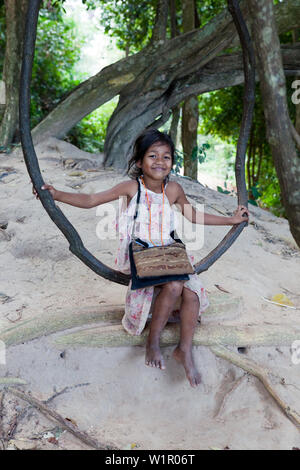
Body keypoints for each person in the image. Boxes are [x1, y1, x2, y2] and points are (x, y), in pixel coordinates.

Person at [33, 128, 249, 388]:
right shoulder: (131, 187)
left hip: (169, 253)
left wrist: (230, 220)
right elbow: (91, 199)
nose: (160, 162)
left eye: (166, 157)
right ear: (139, 162)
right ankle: (153, 342)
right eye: (152, 156)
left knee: (192, 294)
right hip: (140, 254)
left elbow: (194, 216)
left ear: (172, 162)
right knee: (175, 284)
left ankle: (184, 349)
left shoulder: (174, 190)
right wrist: (56, 194)